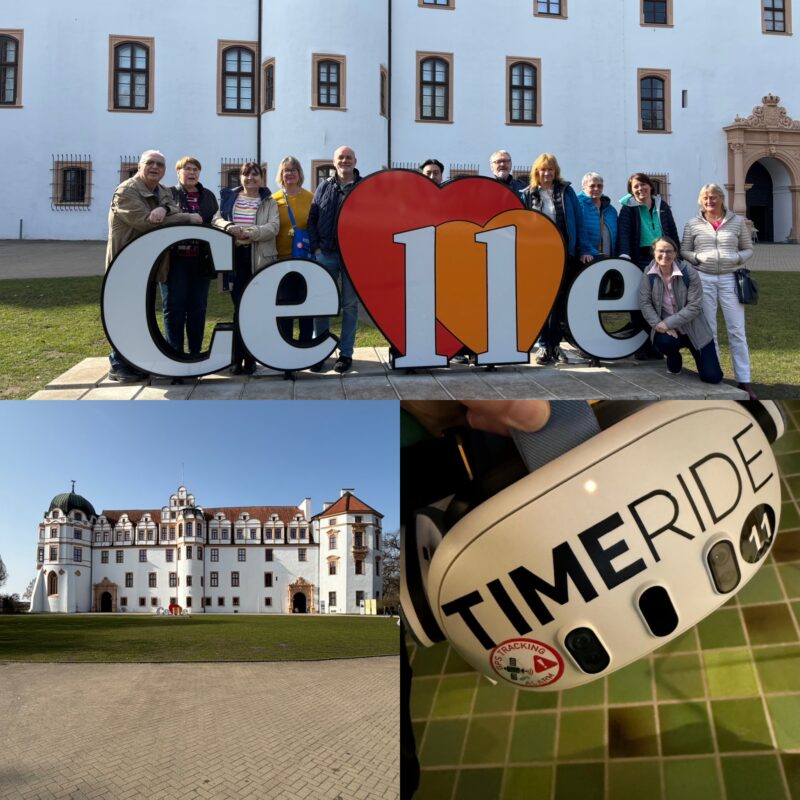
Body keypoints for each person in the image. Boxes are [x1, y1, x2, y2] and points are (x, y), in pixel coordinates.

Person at [106, 150, 202, 382]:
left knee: (142, 313)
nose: (155, 167)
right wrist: (188, 218)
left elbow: (172, 209)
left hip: (147, 264)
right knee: (124, 314)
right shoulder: (127, 191)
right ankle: (118, 364)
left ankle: (134, 362)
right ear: (140, 166)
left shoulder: (161, 191)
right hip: (125, 263)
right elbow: (146, 223)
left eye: (160, 164)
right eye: (150, 163)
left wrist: (164, 209)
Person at [680, 183, 756, 399]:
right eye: (705, 198)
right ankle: (716, 374)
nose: (709, 202)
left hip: (730, 278)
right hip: (704, 278)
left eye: (713, 197)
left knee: (736, 330)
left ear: (721, 199)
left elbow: (748, 248)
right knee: (709, 328)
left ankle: (744, 379)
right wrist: (697, 258)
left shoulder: (737, 222)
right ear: (700, 201)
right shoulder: (693, 224)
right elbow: (685, 250)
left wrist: (737, 258)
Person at [212, 162, 279, 375]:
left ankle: (250, 359)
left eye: (255, 174)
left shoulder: (269, 200)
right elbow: (215, 219)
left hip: (258, 259)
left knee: (254, 310)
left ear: (261, 178)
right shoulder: (229, 197)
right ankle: (237, 358)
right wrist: (229, 227)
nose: (250, 178)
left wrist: (249, 232)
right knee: (239, 308)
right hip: (234, 260)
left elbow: (273, 227)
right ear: (241, 177)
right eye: (246, 174)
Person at [521, 153, 587, 364]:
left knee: (559, 300)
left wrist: (584, 248)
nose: (547, 173)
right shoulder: (527, 195)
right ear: (536, 172)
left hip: (564, 253)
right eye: (543, 169)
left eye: (550, 169)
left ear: (555, 172)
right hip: (538, 255)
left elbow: (579, 222)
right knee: (540, 301)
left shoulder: (567, 193)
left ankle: (555, 345)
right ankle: (542, 345)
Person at [307, 145, 362, 373]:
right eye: (341, 157)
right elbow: (312, 219)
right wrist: (317, 249)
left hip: (353, 257)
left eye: (349, 157)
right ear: (334, 161)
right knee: (321, 304)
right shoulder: (323, 186)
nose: (345, 160)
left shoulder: (363, 187)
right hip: (326, 254)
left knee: (350, 306)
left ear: (355, 161)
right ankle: (320, 352)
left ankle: (346, 354)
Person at [638, 236, 723, 383]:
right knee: (665, 342)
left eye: (669, 251)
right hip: (668, 332)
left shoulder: (689, 273)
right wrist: (659, 324)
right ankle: (674, 357)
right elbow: (644, 302)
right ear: (654, 252)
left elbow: (694, 306)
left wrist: (667, 323)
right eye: (660, 251)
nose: (665, 255)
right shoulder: (648, 273)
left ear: (676, 253)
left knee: (713, 377)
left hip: (694, 330)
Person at [617, 172, 679, 360]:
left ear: (650, 186)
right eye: (635, 187)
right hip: (640, 258)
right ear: (631, 191)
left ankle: (657, 344)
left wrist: (677, 254)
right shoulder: (628, 209)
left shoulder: (662, 206)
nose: (640, 189)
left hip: (663, 257)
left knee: (661, 302)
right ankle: (642, 345)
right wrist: (625, 256)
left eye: (642, 185)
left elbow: (671, 230)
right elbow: (624, 233)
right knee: (641, 302)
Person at [161, 156, 219, 357]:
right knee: (174, 307)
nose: (192, 173)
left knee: (198, 308)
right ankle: (174, 353)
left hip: (200, 261)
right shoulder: (168, 194)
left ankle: (195, 352)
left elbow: (214, 220)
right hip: (175, 260)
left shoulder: (208, 196)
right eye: (187, 169)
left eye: (195, 169)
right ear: (178, 172)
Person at [273, 156, 315, 379]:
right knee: (284, 309)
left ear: (300, 173)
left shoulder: (310, 197)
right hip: (281, 261)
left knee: (305, 309)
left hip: (305, 261)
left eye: (293, 170)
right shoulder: (274, 199)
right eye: (285, 170)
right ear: (281, 174)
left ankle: (306, 351)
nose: (289, 174)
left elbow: (315, 226)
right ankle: (287, 354)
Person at [577, 172, 618, 264]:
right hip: (586, 259)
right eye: (592, 186)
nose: (596, 189)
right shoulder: (577, 205)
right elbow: (576, 231)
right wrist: (584, 250)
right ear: (584, 188)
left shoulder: (611, 210)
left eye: (599, 186)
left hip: (609, 258)